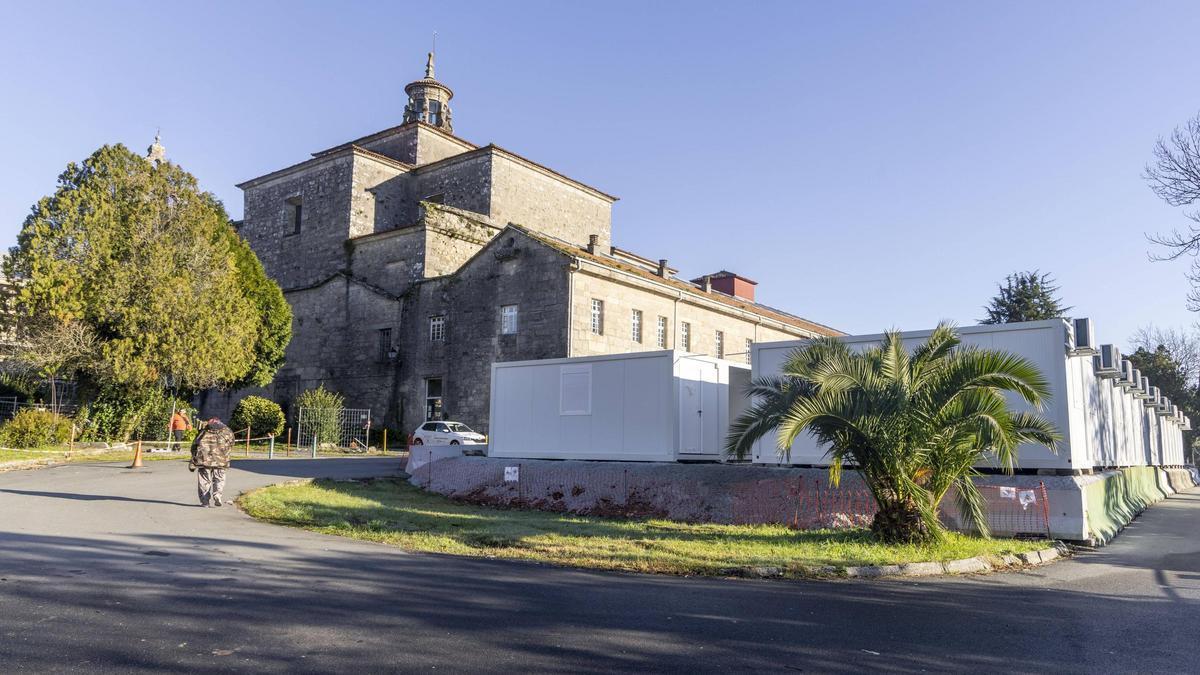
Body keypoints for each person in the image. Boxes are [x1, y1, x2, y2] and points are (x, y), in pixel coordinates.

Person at [189, 418, 234, 507]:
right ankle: (217, 495)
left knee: (204, 480)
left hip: (204, 460)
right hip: (221, 460)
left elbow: (194, 445)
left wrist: (194, 458)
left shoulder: (203, 431)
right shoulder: (227, 431)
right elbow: (231, 443)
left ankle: (205, 501)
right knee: (219, 479)